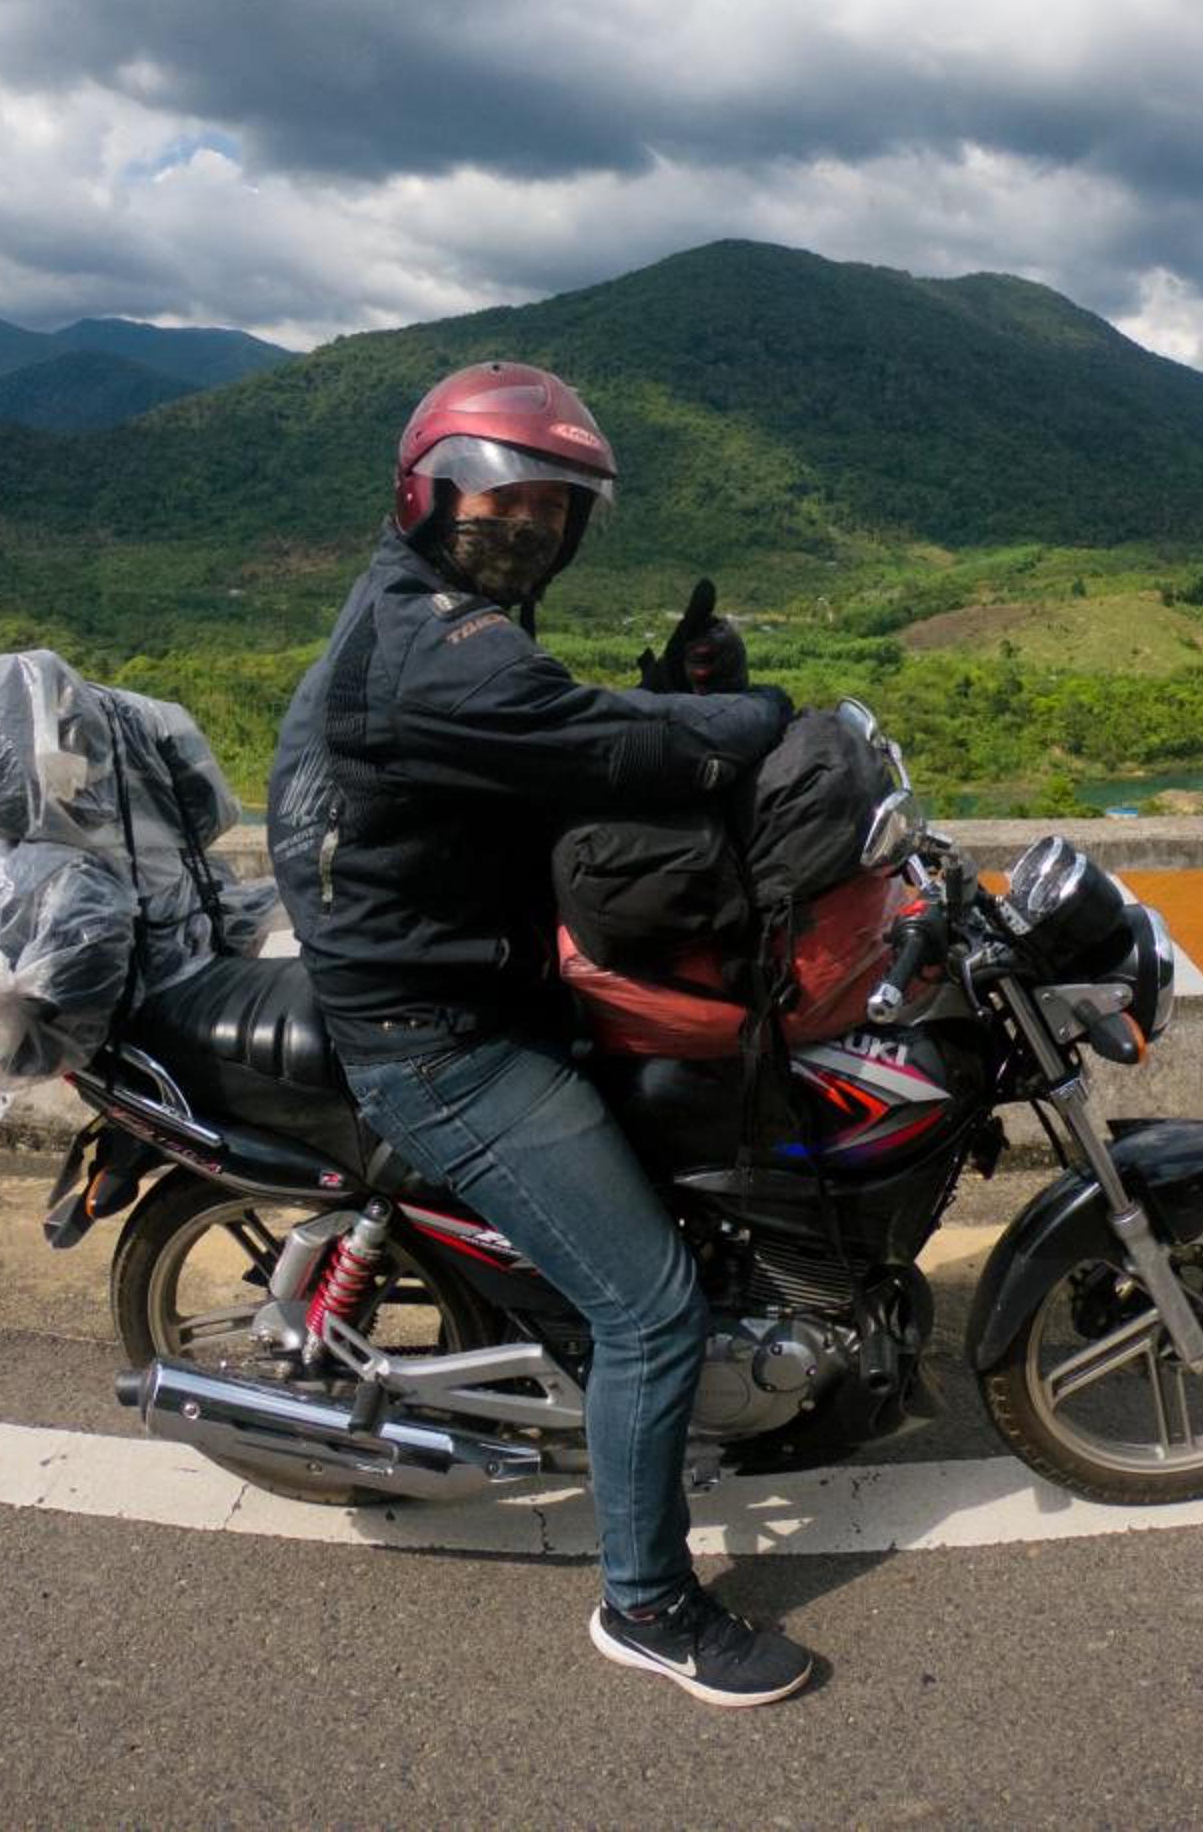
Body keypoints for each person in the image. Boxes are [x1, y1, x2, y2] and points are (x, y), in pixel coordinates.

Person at [268, 360, 819, 1708]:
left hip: (484, 974)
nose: (523, 528)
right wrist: (748, 720)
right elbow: (608, 749)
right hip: (438, 1035)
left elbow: (564, 734)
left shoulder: (451, 620)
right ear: (426, 493)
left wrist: (668, 690)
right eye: (498, 500)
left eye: (551, 510)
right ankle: (648, 1603)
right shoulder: (430, 650)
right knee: (650, 1303)